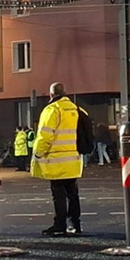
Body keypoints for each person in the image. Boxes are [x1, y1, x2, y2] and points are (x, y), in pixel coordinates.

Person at [31, 82, 86, 236]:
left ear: (51, 95)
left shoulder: (52, 110)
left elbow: (45, 135)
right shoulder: (76, 108)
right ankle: (75, 224)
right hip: (74, 159)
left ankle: (60, 225)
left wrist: (38, 153)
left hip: (56, 160)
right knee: (73, 193)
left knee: (59, 194)